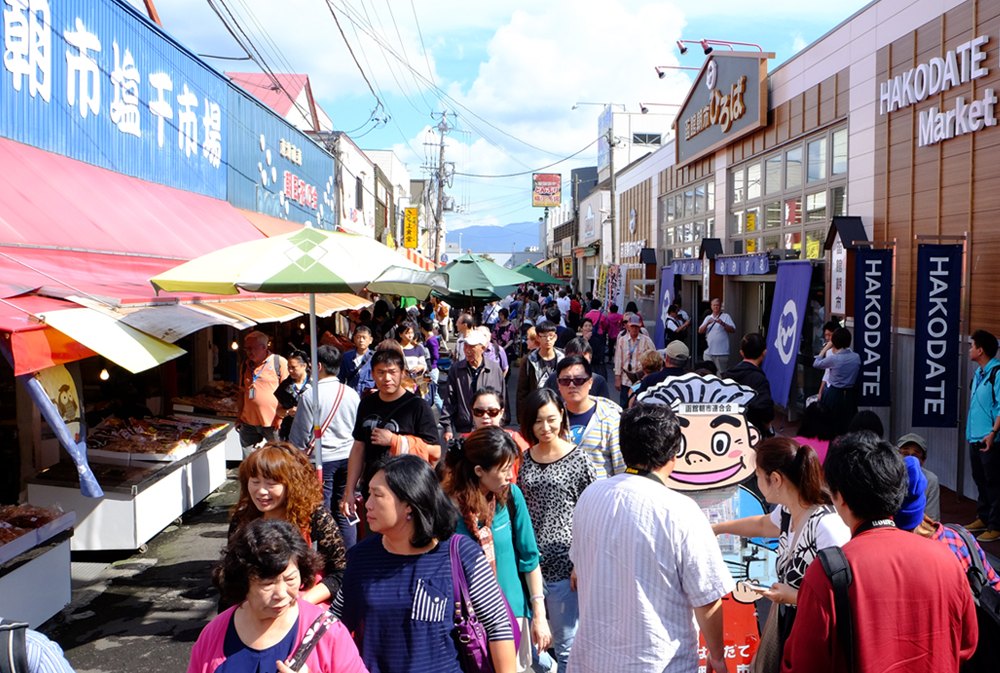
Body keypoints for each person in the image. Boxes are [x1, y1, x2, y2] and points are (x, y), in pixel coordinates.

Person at [780, 432, 978, 673]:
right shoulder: (946, 559)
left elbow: (803, 663)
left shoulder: (828, 570)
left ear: (839, 497)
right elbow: (966, 645)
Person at [569, 403, 734, 673]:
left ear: (623, 447)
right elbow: (707, 598)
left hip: (592, 658)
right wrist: (717, 656)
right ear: (674, 453)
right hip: (658, 662)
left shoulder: (590, 496)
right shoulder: (680, 510)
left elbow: (578, 566)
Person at [333, 455, 517, 673]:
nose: (368, 504)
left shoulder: (461, 554)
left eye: (377, 495)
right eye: (368, 494)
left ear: (409, 505)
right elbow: (336, 623)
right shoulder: (361, 558)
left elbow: (498, 625)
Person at [712, 437, 850, 670]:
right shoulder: (788, 510)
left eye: (757, 474)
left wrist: (793, 596)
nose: (757, 480)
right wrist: (717, 528)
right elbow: (763, 525)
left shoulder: (827, 525)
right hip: (792, 628)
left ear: (775, 479)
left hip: (817, 640)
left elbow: (842, 598)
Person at [189, 519, 365, 673]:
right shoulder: (213, 635)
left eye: (290, 579)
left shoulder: (328, 634)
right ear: (242, 582)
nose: (281, 594)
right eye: (267, 584)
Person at [442, 427, 552, 672]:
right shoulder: (446, 507)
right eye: (503, 470)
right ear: (479, 471)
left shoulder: (510, 497)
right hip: (465, 621)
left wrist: (539, 614)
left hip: (512, 613)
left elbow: (529, 558)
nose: (510, 476)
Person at [518, 388, 597, 672]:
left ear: (562, 416)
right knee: (527, 642)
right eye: (538, 421)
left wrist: (580, 561)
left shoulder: (579, 459)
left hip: (565, 563)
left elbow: (593, 512)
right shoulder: (524, 459)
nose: (545, 427)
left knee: (566, 644)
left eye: (551, 419)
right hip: (528, 562)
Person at [228, 442, 347, 606]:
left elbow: (340, 572)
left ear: (292, 485)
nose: (261, 491)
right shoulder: (242, 519)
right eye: (255, 482)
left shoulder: (314, 517)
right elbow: (232, 574)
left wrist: (303, 602)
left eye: (271, 484)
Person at [341, 349, 441, 524]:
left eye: (392, 372)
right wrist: (349, 489)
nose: (387, 378)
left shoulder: (417, 406)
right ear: (372, 374)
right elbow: (359, 447)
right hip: (373, 492)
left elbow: (436, 451)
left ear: (402, 373)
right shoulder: (366, 404)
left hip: (408, 494)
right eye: (380, 372)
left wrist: (396, 441)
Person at [288, 346, 361, 549]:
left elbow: (300, 434)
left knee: (322, 512)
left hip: (322, 461)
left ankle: (328, 558)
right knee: (345, 508)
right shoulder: (351, 393)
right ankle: (348, 556)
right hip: (349, 457)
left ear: (318, 366)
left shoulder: (311, 396)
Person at [553, 355, 623, 479]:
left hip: (600, 495)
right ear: (558, 384)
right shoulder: (552, 418)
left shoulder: (610, 418)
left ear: (590, 382)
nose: (571, 385)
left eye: (579, 380)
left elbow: (621, 468)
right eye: (565, 380)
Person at [441, 327, 506, 440]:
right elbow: (449, 400)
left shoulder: (494, 369)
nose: (467, 350)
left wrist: (502, 425)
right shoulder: (456, 369)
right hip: (464, 428)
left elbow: (503, 399)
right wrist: (447, 428)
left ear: (483, 348)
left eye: (472, 346)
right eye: (465, 345)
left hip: (490, 428)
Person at [965, 329, 1000, 541]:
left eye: (972, 346)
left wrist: (993, 433)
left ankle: (996, 525)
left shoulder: (997, 373)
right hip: (975, 436)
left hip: (991, 439)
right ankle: (984, 517)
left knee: (994, 482)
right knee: (980, 479)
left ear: (981, 350)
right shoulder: (979, 373)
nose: (969, 349)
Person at [238, 331, 289, 458]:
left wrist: (281, 417)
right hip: (248, 422)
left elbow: (288, 393)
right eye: (246, 348)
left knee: (278, 459)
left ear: (264, 347)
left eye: (252, 348)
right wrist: (239, 416)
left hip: (273, 422)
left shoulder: (279, 362)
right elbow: (241, 392)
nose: (248, 352)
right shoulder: (245, 365)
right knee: (249, 461)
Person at [812, 327, 861, 436]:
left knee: (830, 423)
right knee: (848, 424)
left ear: (834, 342)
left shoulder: (834, 359)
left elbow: (816, 363)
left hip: (834, 393)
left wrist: (825, 349)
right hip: (850, 394)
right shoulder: (856, 357)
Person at [724, 332, 775, 435]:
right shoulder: (759, 379)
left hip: (729, 429)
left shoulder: (727, 375)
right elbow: (765, 410)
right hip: (752, 432)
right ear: (764, 352)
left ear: (741, 353)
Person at [516, 320, 564, 414]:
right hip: (536, 407)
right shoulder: (529, 360)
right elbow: (522, 391)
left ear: (556, 337)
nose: (548, 339)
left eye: (551, 336)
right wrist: (522, 416)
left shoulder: (563, 359)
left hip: (557, 407)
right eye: (544, 336)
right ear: (538, 338)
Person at [544, 336, 611, 399]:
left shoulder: (598, 381)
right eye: (573, 359)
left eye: (583, 361)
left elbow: (605, 406)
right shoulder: (554, 378)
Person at [896, 432, 941, 522]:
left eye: (915, 456)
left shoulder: (930, 480)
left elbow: (932, 519)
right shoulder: (887, 475)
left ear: (923, 460)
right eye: (905, 454)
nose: (909, 459)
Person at [613, 314, 656, 407]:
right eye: (632, 326)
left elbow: (654, 357)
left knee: (638, 405)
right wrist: (617, 377)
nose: (634, 329)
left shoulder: (646, 340)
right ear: (628, 326)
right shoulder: (622, 340)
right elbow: (618, 359)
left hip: (641, 378)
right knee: (624, 405)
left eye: (636, 326)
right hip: (626, 378)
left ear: (640, 326)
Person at [469, 387, 529, 452]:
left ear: (501, 413)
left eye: (492, 411)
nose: (485, 416)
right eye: (479, 411)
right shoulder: (465, 441)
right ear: (472, 413)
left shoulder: (515, 440)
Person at [274, 350, 310, 441]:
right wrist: (288, 412)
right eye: (288, 367)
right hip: (289, 431)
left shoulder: (315, 384)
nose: (290, 370)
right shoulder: (285, 386)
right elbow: (278, 410)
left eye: (293, 367)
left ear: (304, 366)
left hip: (310, 431)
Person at [698, 298, 736, 374]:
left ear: (720, 306)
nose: (716, 307)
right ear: (711, 306)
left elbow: (733, 330)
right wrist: (707, 323)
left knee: (721, 374)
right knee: (707, 374)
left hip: (721, 352)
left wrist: (722, 323)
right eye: (714, 305)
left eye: (717, 305)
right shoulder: (708, 317)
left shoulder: (726, 316)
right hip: (708, 352)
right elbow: (700, 331)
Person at [339, 325, 375, 396]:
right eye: (358, 337)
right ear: (354, 339)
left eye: (364, 338)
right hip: (351, 395)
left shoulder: (375, 357)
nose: (361, 340)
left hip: (369, 397)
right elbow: (341, 378)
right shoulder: (346, 356)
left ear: (370, 340)